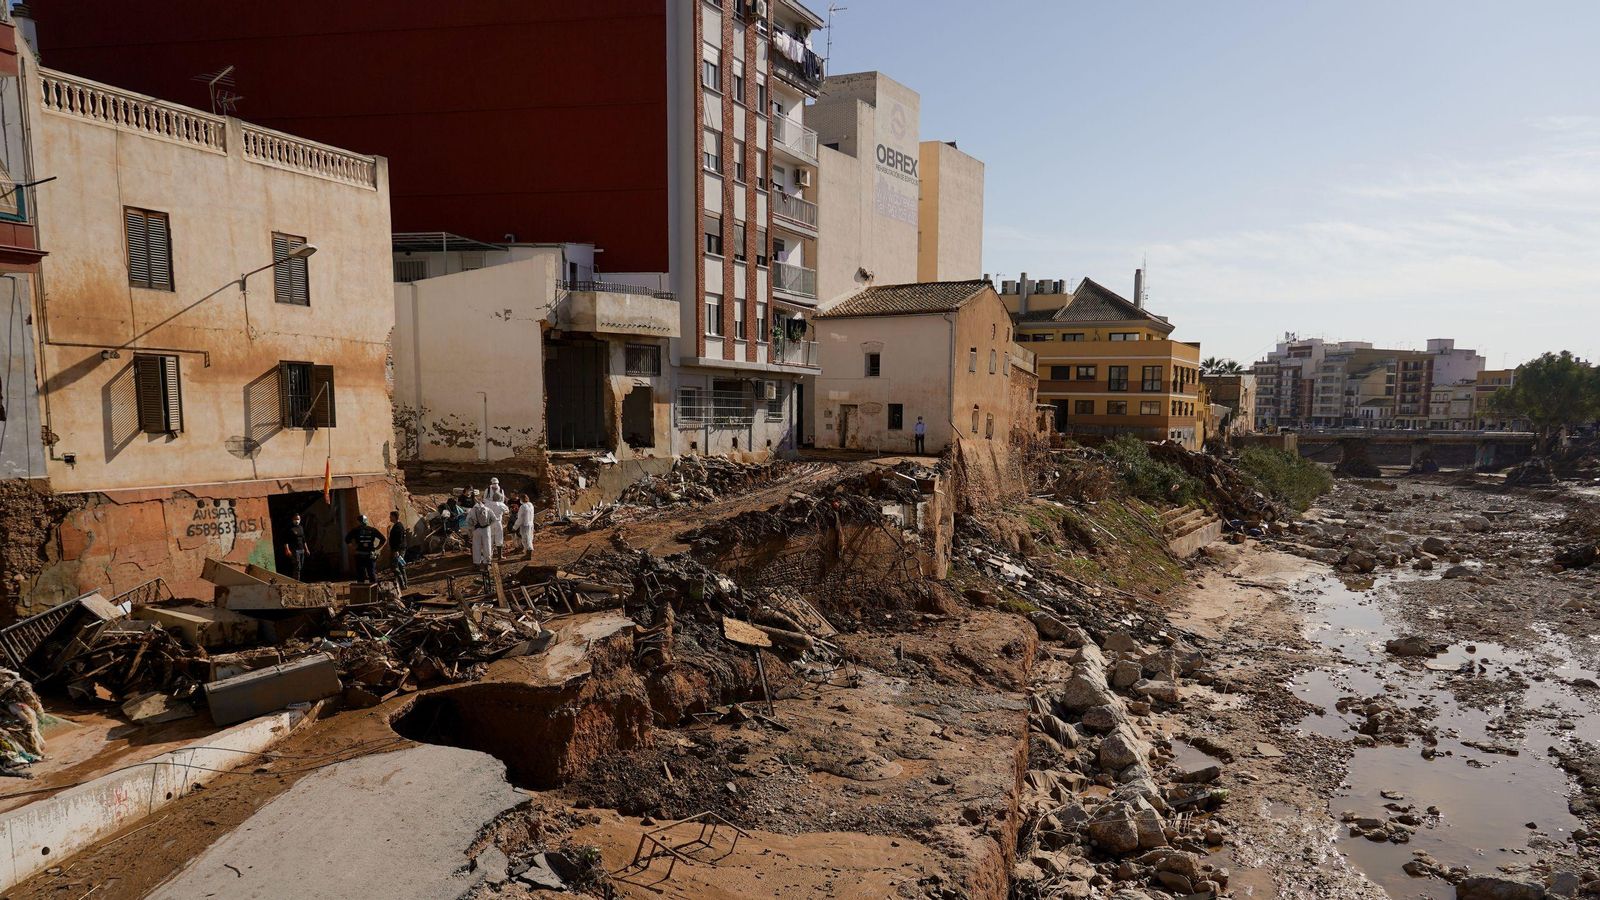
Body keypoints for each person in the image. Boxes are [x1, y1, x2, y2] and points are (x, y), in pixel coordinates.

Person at [344, 514, 386, 584]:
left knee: (360, 574)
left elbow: (347, 539)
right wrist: (377, 548)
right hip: (370, 555)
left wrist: (353, 547)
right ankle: (374, 591)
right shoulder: (372, 530)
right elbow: (383, 539)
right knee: (371, 573)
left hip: (359, 555)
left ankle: (362, 591)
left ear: (359, 522)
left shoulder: (355, 530)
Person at [467, 491, 496, 572]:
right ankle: (488, 563)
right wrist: (488, 525)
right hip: (486, 530)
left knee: (476, 547)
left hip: (476, 530)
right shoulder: (487, 509)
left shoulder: (472, 510)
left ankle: (476, 564)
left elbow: (468, 521)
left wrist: (471, 529)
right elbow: (494, 519)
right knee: (487, 546)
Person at [387, 510, 410, 589]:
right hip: (399, 549)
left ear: (394, 516)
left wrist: (396, 550)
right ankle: (404, 584)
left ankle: (402, 584)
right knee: (400, 566)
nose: (389, 518)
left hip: (398, 550)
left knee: (395, 567)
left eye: (390, 516)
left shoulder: (398, 526)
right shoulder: (397, 526)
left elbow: (399, 540)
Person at [283, 513, 309, 581]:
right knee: (297, 566)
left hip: (302, 550)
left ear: (300, 520)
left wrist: (307, 549)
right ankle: (296, 581)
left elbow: (304, 540)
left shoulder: (301, 528)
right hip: (294, 550)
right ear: (292, 520)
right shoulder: (290, 529)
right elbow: (286, 541)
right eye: (295, 519)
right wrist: (287, 549)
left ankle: (295, 578)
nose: (297, 520)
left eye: (298, 519)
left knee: (301, 566)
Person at [484, 490, 509, 560]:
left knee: (489, 539)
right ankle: (499, 556)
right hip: (498, 522)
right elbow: (507, 511)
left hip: (489, 523)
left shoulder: (487, 504)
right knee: (499, 539)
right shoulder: (501, 504)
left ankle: (488, 557)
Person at [512, 495, 536, 559]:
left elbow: (520, 518)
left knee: (526, 539)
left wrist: (515, 527)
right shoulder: (530, 504)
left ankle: (528, 555)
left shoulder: (523, 506)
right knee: (529, 538)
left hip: (525, 525)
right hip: (530, 524)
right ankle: (528, 553)